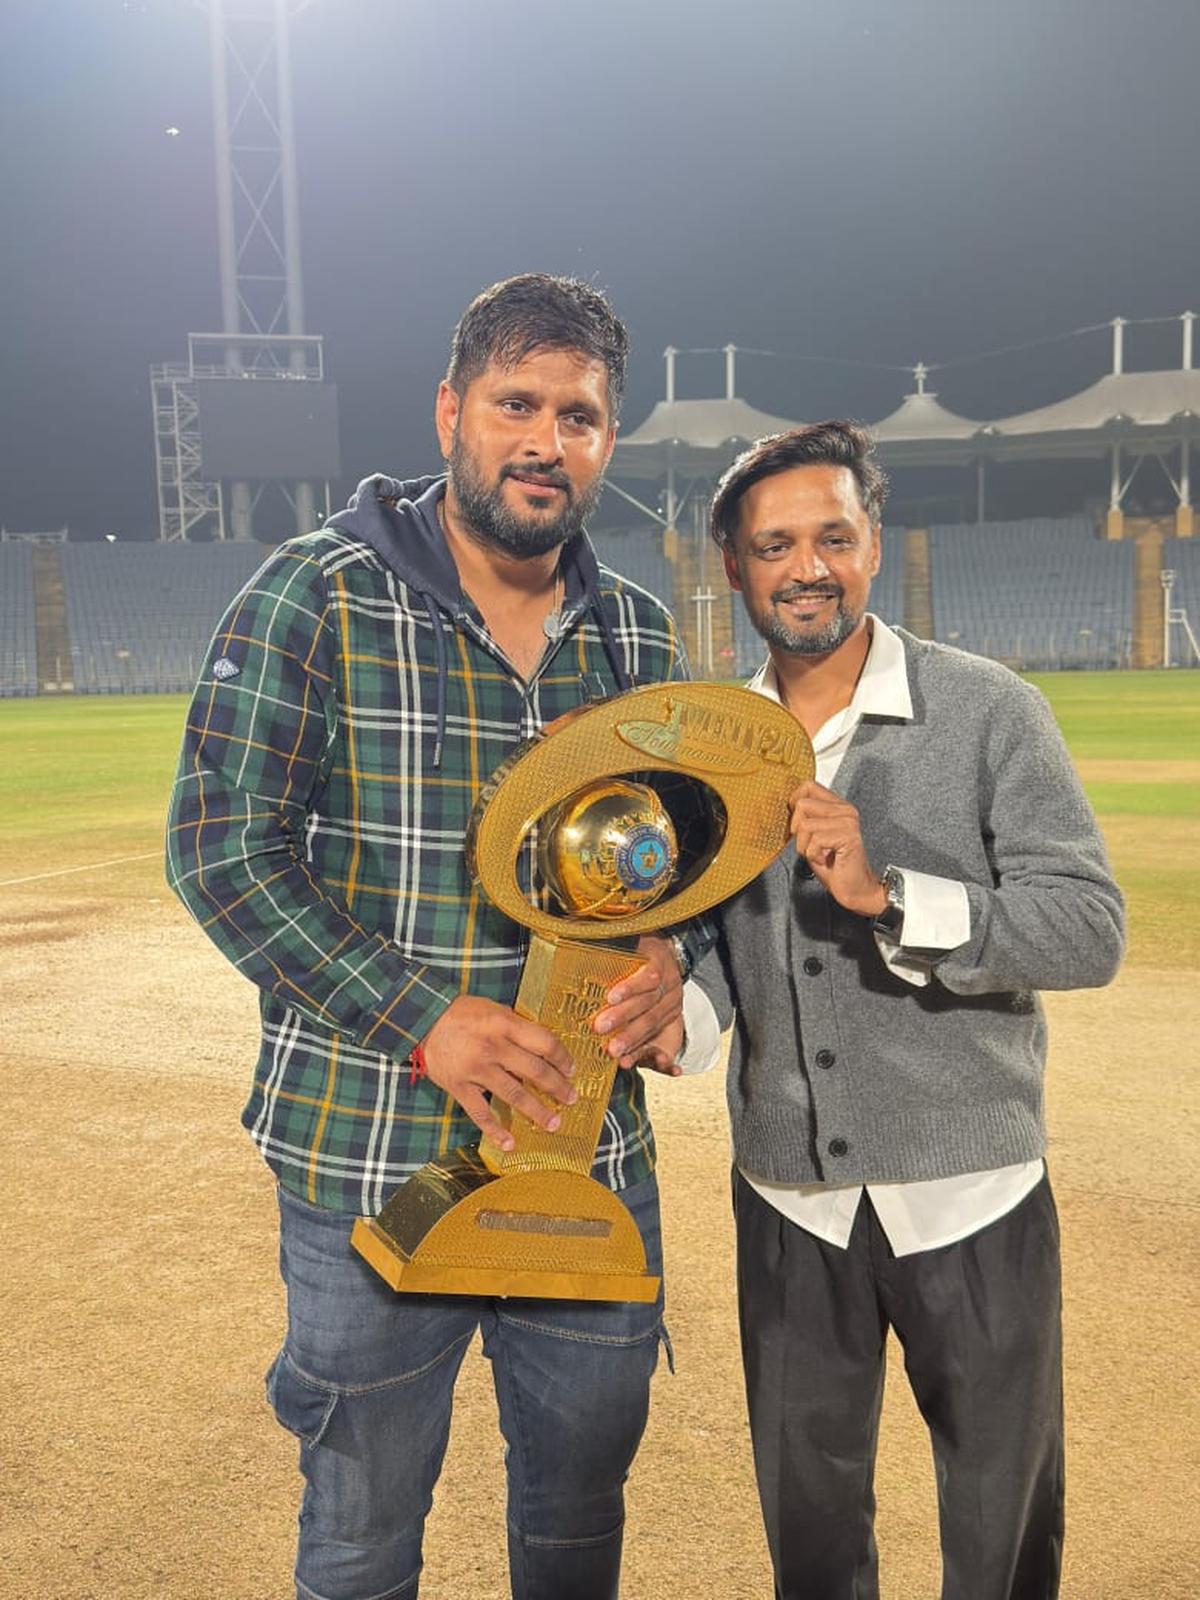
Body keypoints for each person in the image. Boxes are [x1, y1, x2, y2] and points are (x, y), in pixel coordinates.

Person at [166, 273, 693, 1600]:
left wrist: (670, 968)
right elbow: (221, 850)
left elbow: (668, 872)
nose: (544, 439)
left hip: (584, 1153)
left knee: (578, 1518)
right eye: (517, 402)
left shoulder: (636, 630)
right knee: (361, 1534)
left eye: (577, 415)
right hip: (370, 1155)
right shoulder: (317, 595)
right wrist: (422, 1016)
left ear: (606, 441)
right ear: (453, 411)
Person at [666, 421, 1125, 1599]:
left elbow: (1086, 929)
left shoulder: (990, 709)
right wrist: (683, 1016)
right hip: (788, 1200)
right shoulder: (709, 748)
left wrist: (888, 895)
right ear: (735, 565)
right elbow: (716, 944)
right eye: (775, 544)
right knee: (810, 1541)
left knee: (1003, 1538)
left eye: (833, 535)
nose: (806, 565)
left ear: (874, 544)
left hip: (972, 1194)